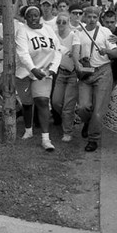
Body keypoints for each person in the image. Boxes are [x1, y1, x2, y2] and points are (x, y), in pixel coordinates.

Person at [72, 6, 117, 152]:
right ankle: (88, 122)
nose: (91, 20)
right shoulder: (78, 32)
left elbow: (115, 54)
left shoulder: (105, 32)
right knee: (82, 107)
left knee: (98, 111)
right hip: (86, 73)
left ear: (98, 18)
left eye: (95, 17)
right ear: (84, 17)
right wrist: (77, 64)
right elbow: (75, 52)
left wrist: (107, 50)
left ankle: (93, 139)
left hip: (103, 72)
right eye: (89, 16)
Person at [16, 5, 61, 151]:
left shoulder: (48, 29)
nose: (33, 18)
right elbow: (23, 53)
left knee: (42, 100)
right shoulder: (22, 30)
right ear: (25, 18)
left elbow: (58, 50)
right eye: (30, 16)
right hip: (25, 71)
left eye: (36, 15)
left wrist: (53, 69)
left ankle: (45, 139)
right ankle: (28, 130)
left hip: (44, 71)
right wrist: (33, 69)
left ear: (40, 15)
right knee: (27, 102)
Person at [51, 12, 78, 142]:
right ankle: (70, 118)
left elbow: (77, 52)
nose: (61, 24)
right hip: (60, 72)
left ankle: (67, 131)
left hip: (73, 73)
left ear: (68, 23)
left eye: (64, 22)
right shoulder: (54, 35)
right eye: (59, 21)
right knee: (55, 102)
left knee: (68, 105)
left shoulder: (73, 35)